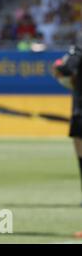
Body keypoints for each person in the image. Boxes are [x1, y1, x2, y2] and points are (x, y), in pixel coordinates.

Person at [53, 45, 82, 207]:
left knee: (80, 151)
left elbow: (65, 68)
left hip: (81, 109)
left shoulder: (79, 48)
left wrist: (57, 66)